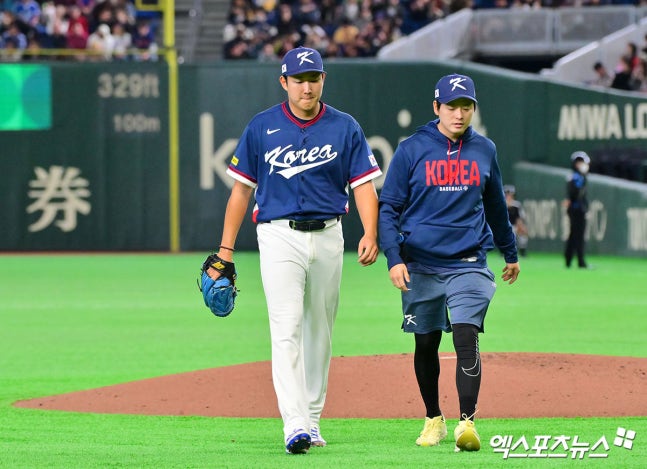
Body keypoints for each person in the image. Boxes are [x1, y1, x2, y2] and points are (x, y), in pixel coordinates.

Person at [208, 46, 382, 454]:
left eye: (313, 78)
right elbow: (241, 191)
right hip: (278, 235)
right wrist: (225, 250)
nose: (307, 87)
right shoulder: (262, 126)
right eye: (299, 80)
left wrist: (371, 233)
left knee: (320, 329)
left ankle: (313, 418)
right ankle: (295, 424)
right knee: (286, 328)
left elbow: (363, 185)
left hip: (329, 234)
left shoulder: (345, 127)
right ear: (284, 82)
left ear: (323, 80)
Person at [378, 73, 520, 452]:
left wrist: (509, 252)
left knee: (465, 334)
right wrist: (393, 258)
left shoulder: (484, 149)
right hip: (420, 263)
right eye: (452, 106)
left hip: (468, 261)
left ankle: (466, 423)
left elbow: (495, 206)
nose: (459, 114)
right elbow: (389, 207)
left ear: (473, 108)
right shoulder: (411, 149)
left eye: (466, 106)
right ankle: (433, 419)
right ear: (436, 107)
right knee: (426, 342)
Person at [564, 151, 590, 269]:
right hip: (576, 209)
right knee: (577, 235)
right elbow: (574, 194)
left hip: (577, 209)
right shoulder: (576, 177)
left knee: (575, 234)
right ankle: (579, 261)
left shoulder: (579, 177)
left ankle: (569, 259)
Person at [504, 184, 528, 257]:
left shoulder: (517, 204)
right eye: (507, 194)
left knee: (523, 231)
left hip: (514, 226)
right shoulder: (501, 203)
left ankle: (522, 252)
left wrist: (520, 226)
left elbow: (520, 218)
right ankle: (503, 252)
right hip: (504, 226)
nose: (508, 196)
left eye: (510, 194)